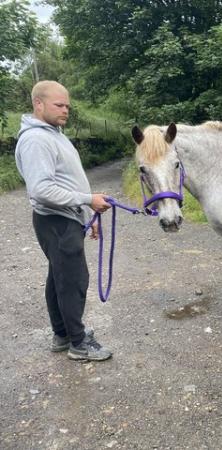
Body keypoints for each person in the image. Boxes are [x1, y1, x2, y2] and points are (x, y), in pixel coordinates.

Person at [15, 80, 113, 361]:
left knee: (58, 277)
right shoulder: (36, 140)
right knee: (73, 280)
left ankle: (62, 334)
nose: (65, 110)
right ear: (38, 104)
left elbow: (65, 181)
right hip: (56, 221)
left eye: (67, 105)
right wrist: (87, 199)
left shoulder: (53, 133)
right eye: (59, 105)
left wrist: (87, 212)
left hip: (65, 218)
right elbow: (41, 190)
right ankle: (78, 343)